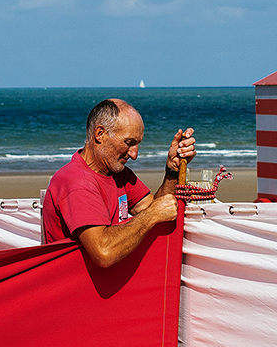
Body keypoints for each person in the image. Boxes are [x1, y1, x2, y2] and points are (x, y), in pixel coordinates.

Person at [42, 98, 196, 267]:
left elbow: (158, 209)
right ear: (100, 134)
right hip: (73, 285)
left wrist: (172, 170)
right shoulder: (77, 182)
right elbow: (104, 253)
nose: (134, 155)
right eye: (129, 143)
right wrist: (150, 216)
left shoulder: (117, 173)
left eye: (137, 144)